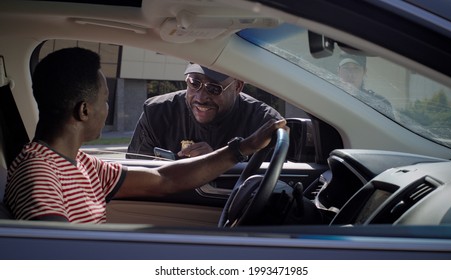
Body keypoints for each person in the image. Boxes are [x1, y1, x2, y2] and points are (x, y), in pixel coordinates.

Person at [3, 47, 287, 223]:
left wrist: (241, 148)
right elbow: (54, 257)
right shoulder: (38, 175)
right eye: (105, 100)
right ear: (84, 111)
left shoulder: (82, 164)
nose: (108, 107)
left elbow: (164, 179)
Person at [127, 63, 282, 159]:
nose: (200, 98)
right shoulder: (158, 112)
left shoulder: (263, 122)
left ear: (238, 87)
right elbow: (134, 169)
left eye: (214, 88)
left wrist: (215, 163)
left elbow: (268, 184)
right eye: (194, 83)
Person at [337, 53, 394, 118]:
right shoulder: (329, 96)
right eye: (346, 68)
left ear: (364, 72)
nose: (350, 74)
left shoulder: (379, 103)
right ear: (338, 71)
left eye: (356, 69)